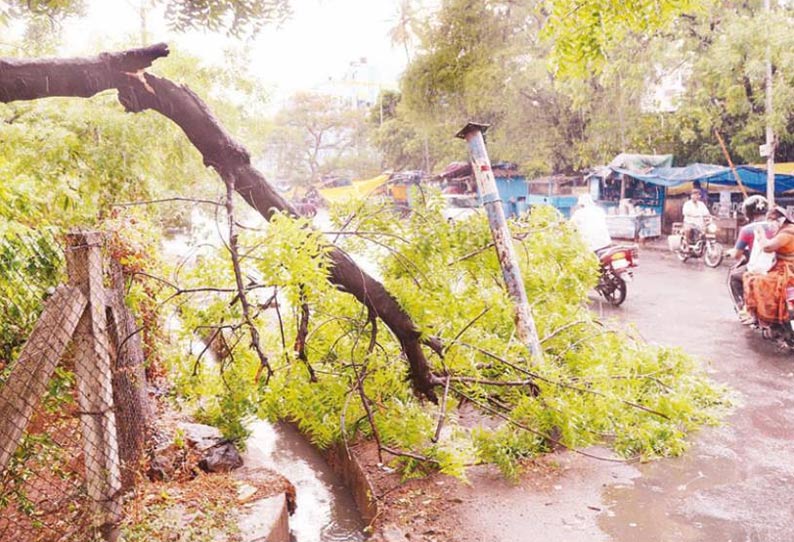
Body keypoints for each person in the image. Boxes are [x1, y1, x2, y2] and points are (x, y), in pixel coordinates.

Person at [743, 206, 794, 325]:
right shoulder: (784, 230)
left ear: (780, 221)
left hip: (787, 271)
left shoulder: (788, 232)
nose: (770, 226)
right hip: (781, 267)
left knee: (754, 280)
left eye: (772, 222)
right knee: (751, 276)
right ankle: (755, 316)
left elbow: (768, 247)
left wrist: (761, 234)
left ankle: (759, 316)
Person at [727, 195, 773, 319]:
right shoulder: (777, 227)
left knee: (734, 277)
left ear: (747, 212)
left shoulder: (747, 229)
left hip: (760, 266)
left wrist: (731, 253)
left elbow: (737, 254)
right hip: (779, 266)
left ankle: (743, 309)